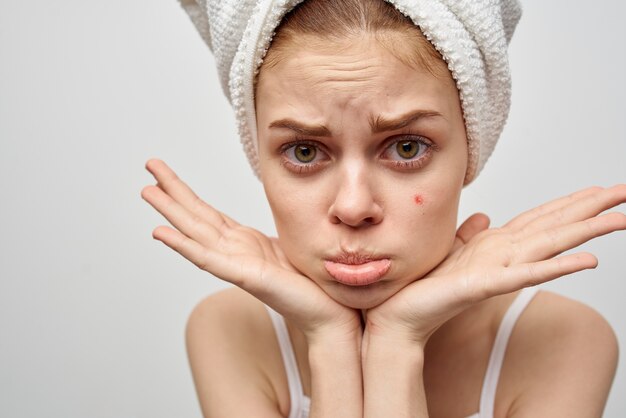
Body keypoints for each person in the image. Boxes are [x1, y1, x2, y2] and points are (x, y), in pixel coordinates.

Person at [142, 0, 626, 416]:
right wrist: (330, 341)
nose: (353, 207)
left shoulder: (562, 342)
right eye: (305, 151)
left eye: (407, 147)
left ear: (470, 151)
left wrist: (398, 343)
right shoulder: (231, 331)